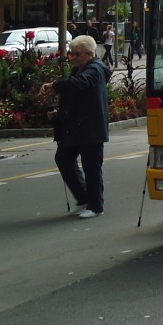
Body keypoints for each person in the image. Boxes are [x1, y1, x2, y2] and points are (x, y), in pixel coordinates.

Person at [40, 35, 110, 219]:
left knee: (92, 167)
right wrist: (59, 112)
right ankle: (84, 198)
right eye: (72, 53)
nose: (73, 57)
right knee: (63, 158)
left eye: (76, 54)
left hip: (90, 127)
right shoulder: (81, 69)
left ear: (89, 54)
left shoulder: (95, 69)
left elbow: (79, 85)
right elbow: (75, 94)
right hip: (77, 126)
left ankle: (96, 205)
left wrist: (55, 84)